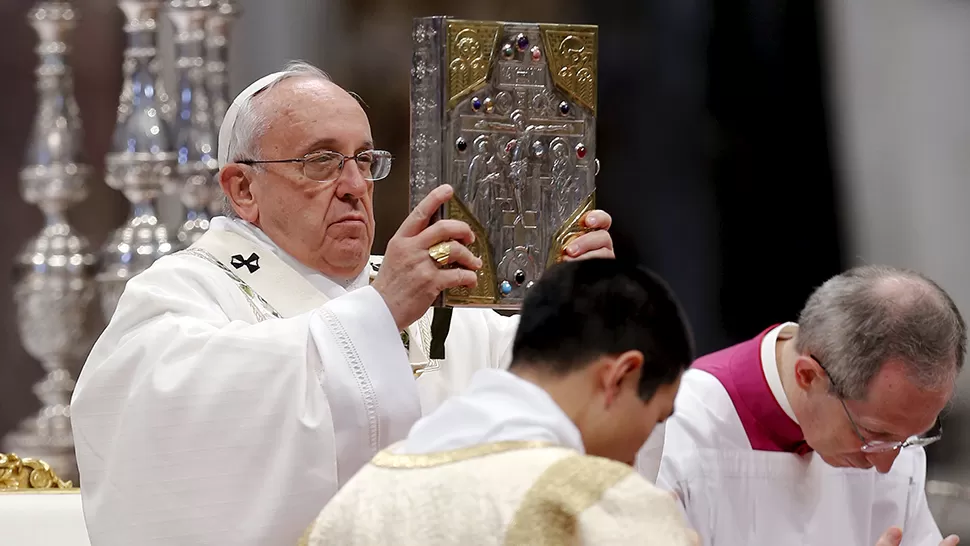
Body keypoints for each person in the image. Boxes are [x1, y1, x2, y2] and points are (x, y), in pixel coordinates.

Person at [69, 61, 616, 546]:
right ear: (242, 189)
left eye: (365, 160)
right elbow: (164, 429)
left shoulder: (431, 295)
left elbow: (549, 415)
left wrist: (574, 315)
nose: (355, 184)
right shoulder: (183, 293)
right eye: (322, 161)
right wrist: (373, 320)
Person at [305, 258, 699, 545]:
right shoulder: (606, 513)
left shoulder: (355, 503)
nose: (634, 460)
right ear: (620, 376)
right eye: (657, 417)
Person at [636, 265, 966, 546]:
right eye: (873, 433)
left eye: (913, 438)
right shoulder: (674, 429)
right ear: (808, 376)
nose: (885, 465)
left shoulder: (891, 422)